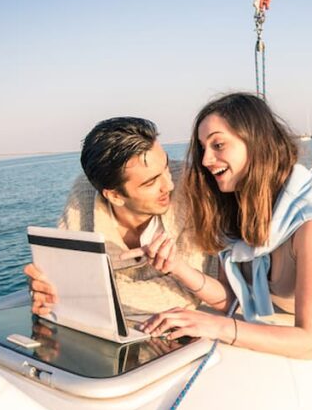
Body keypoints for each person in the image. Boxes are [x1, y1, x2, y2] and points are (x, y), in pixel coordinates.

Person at [140, 92, 312, 359]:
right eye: (203, 148)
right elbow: (230, 297)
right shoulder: (232, 207)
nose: (205, 160)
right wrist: (176, 268)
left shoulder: (311, 227)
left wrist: (217, 326)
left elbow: (308, 342)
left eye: (217, 145)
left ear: (256, 142)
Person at [25, 117, 216, 316]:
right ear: (114, 196)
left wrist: (75, 292)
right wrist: (44, 286)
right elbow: (61, 273)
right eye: (151, 183)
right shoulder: (85, 193)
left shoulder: (191, 185)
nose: (169, 184)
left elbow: (188, 291)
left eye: (166, 167)